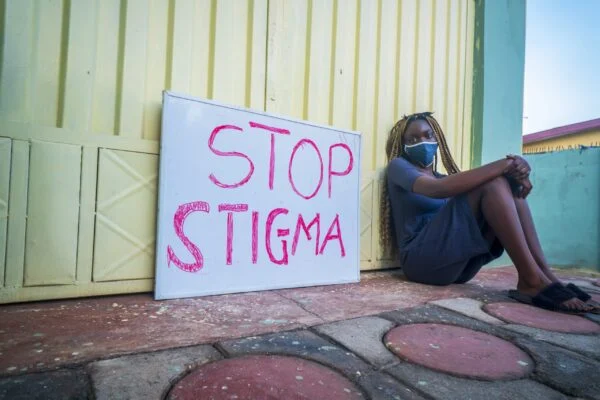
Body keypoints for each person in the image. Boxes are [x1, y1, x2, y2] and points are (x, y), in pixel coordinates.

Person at [380, 112, 598, 314]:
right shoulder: (399, 167)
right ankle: (531, 281)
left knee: (508, 185)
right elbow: (437, 189)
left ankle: (546, 276)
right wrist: (507, 164)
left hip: (459, 268)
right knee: (493, 182)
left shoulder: (442, 175)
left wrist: (512, 171)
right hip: (421, 264)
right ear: (403, 145)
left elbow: (450, 185)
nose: (422, 142)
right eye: (413, 139)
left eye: (428, 135)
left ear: (438, 138)